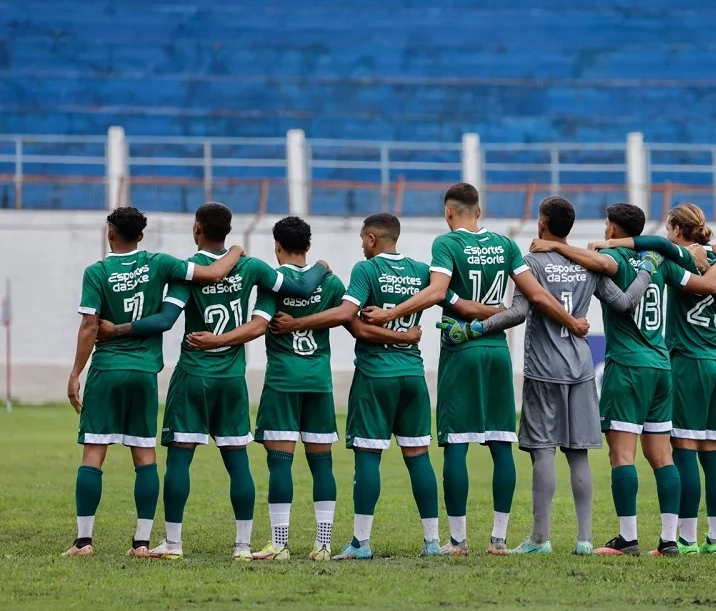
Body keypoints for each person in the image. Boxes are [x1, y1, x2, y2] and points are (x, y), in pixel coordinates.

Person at [360, 183, 588, 556]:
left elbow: (436, 293)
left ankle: (458, 540)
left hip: (461, 349)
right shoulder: (505, 244)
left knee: (456, 445)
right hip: (497, 352)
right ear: (478, 212)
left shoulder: (446, 245)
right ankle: (498, 540)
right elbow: (536, 296)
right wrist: (572, 321)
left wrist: (389, 313)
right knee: (501, 444)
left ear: (448, 213)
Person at [96, 202, 331, 560]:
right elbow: (298, 289)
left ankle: (173, 544)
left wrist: (119, 329)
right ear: (230, 230)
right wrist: (319, 268)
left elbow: (164, 320)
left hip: (193, 375)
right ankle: (242, 546)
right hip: (232, 378)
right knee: (238, 461)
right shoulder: (251, 267)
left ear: (197, 229)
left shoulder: (187, 272)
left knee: (179, 460)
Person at [439, 197, 655, 556]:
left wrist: (477, 327)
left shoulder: (533, 263)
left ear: (542, 224)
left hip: (543, 369)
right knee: (578, 453)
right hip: (582, 368)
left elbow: (518, 313)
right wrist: (647, 270)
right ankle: (585, 540)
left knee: (542, 452)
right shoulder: (588, 265)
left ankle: (540, 538)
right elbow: (622, 304)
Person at [183, 216, 405, 561]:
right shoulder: (330, 283)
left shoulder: (274, 283)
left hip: (283, 381)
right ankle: (323, 544)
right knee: (322, 465)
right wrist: (403, 335)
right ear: (309, 246)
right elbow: (354, 322)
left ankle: (280, 544)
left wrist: (217, 341)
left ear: (277, 247)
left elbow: (257, 326)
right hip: (318, 381)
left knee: (280, 464)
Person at [263, 213, 465, 560]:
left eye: (361, 238)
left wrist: (295, 323)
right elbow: (451, 300)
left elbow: (348, 319)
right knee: (418, 458)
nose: (360, 244)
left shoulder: (365, 270)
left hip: (375, 375)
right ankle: (433, 542)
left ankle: (360, 542)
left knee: (368, 457)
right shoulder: (421, 271)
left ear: (372, 239)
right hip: (413, 374)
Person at [591, 202, 716, 555]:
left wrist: (606, 246)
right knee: (707, 454)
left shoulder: (672, 256)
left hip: (682, 361)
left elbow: (656, 248)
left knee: (673, 453)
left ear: (675, 228)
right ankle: (706, 538)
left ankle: (675, 539)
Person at [62, 206, 242, 557]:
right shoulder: (161, 263)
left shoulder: (97, 272)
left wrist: (75, 373)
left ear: (110, 233)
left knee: (94, 453)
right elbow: (213, 272)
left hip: (107, 370)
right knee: (144, 455)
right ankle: (142, 542)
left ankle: (84, 541)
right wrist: (235, 250)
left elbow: (88, 326)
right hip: (144, 372)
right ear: (141, 236)